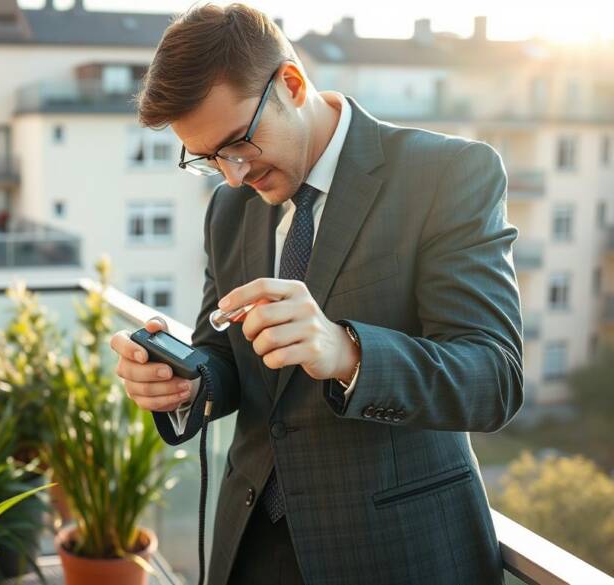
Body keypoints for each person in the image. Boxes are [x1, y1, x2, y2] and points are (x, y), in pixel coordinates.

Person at [108, 4, 523, 584]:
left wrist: (347, 352)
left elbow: (494, 379)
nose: (233, 176)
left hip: (396, 554)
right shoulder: (229, 208)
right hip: (251, 544)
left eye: (237, 145)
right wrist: (181, 380)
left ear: (292, 84)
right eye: (207, 160)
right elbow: (223, 355)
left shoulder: (448, 174)